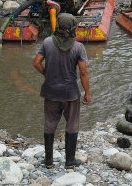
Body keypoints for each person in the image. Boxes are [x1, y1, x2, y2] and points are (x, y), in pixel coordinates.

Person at [33, 13, 91, 169]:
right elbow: (83, 72)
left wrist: (47, 74)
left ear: (58, 25)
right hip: (70, 93)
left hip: (50, 92)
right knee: (72, 124)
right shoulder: (78, 47)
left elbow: (36, 63)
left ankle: (49, 161)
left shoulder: (47, 42)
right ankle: (69, 161)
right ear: (73, 28)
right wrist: (87, 93)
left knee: (50, 123)